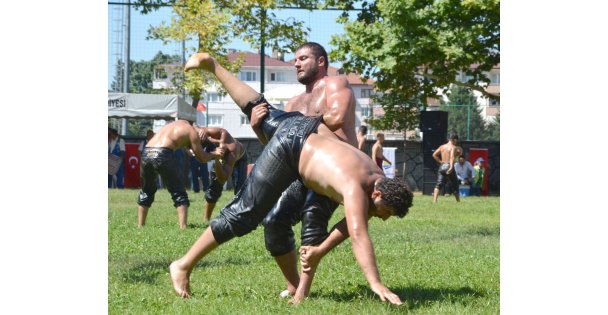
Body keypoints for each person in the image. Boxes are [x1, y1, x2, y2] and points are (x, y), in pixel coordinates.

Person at [172, 51, 412, 305]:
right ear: (378, 194)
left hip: (304, 128)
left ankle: (213, 65)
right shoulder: (354, 187)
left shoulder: (374, 175)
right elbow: (358, 234)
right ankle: (183, 265)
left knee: (258, 106)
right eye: (386, 212)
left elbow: (354, 223)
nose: (384, 218)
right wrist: (375, 282)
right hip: (292, 147)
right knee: (246, 213)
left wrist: (319, 250)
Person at [188, 42, 359, 298]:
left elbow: (336, 117)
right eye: (295, 60)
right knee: (274, 222)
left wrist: (285, 124)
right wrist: (258, 125)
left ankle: (303, 292)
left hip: (334, 168)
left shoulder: (336, 84)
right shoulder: (293, 103)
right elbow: (280, 148)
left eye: (303, 58)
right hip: (303, 171)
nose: (296, 63)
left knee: (312, 220)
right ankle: (294, 285)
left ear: (321, 62)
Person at [137, 120, 225, 229]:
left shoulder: (172, 125)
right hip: (163, 153)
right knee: (178, 191)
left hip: (146, 152)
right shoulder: (192, 131)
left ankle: (140, 226)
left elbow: (186, 147)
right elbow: (202, 158)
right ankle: (183, 227)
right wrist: (214, 154)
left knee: (146, 190)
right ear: (200, 130)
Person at [192, 127, 248, 221]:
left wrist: (217, 160)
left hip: (239, 160)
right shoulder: (210, 133)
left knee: (240, 191)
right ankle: (206, 219)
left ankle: (244, 218)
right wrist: (200, 130)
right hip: (218, 148)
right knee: (213, 190)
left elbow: (223, 178)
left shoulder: (231, 153)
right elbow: (190, 126)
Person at [432, 131, 460, 203]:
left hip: (442, 166)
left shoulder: (442, 147)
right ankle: (458, 201)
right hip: (449, 166)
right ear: (454, 139)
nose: (456, 142)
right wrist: (451, 167)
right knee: (455, 184)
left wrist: (441, 162)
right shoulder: (453, 147)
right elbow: (452, 158)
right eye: (456, 140)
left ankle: (435, 201)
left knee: (439, 184)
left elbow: (434, 154)